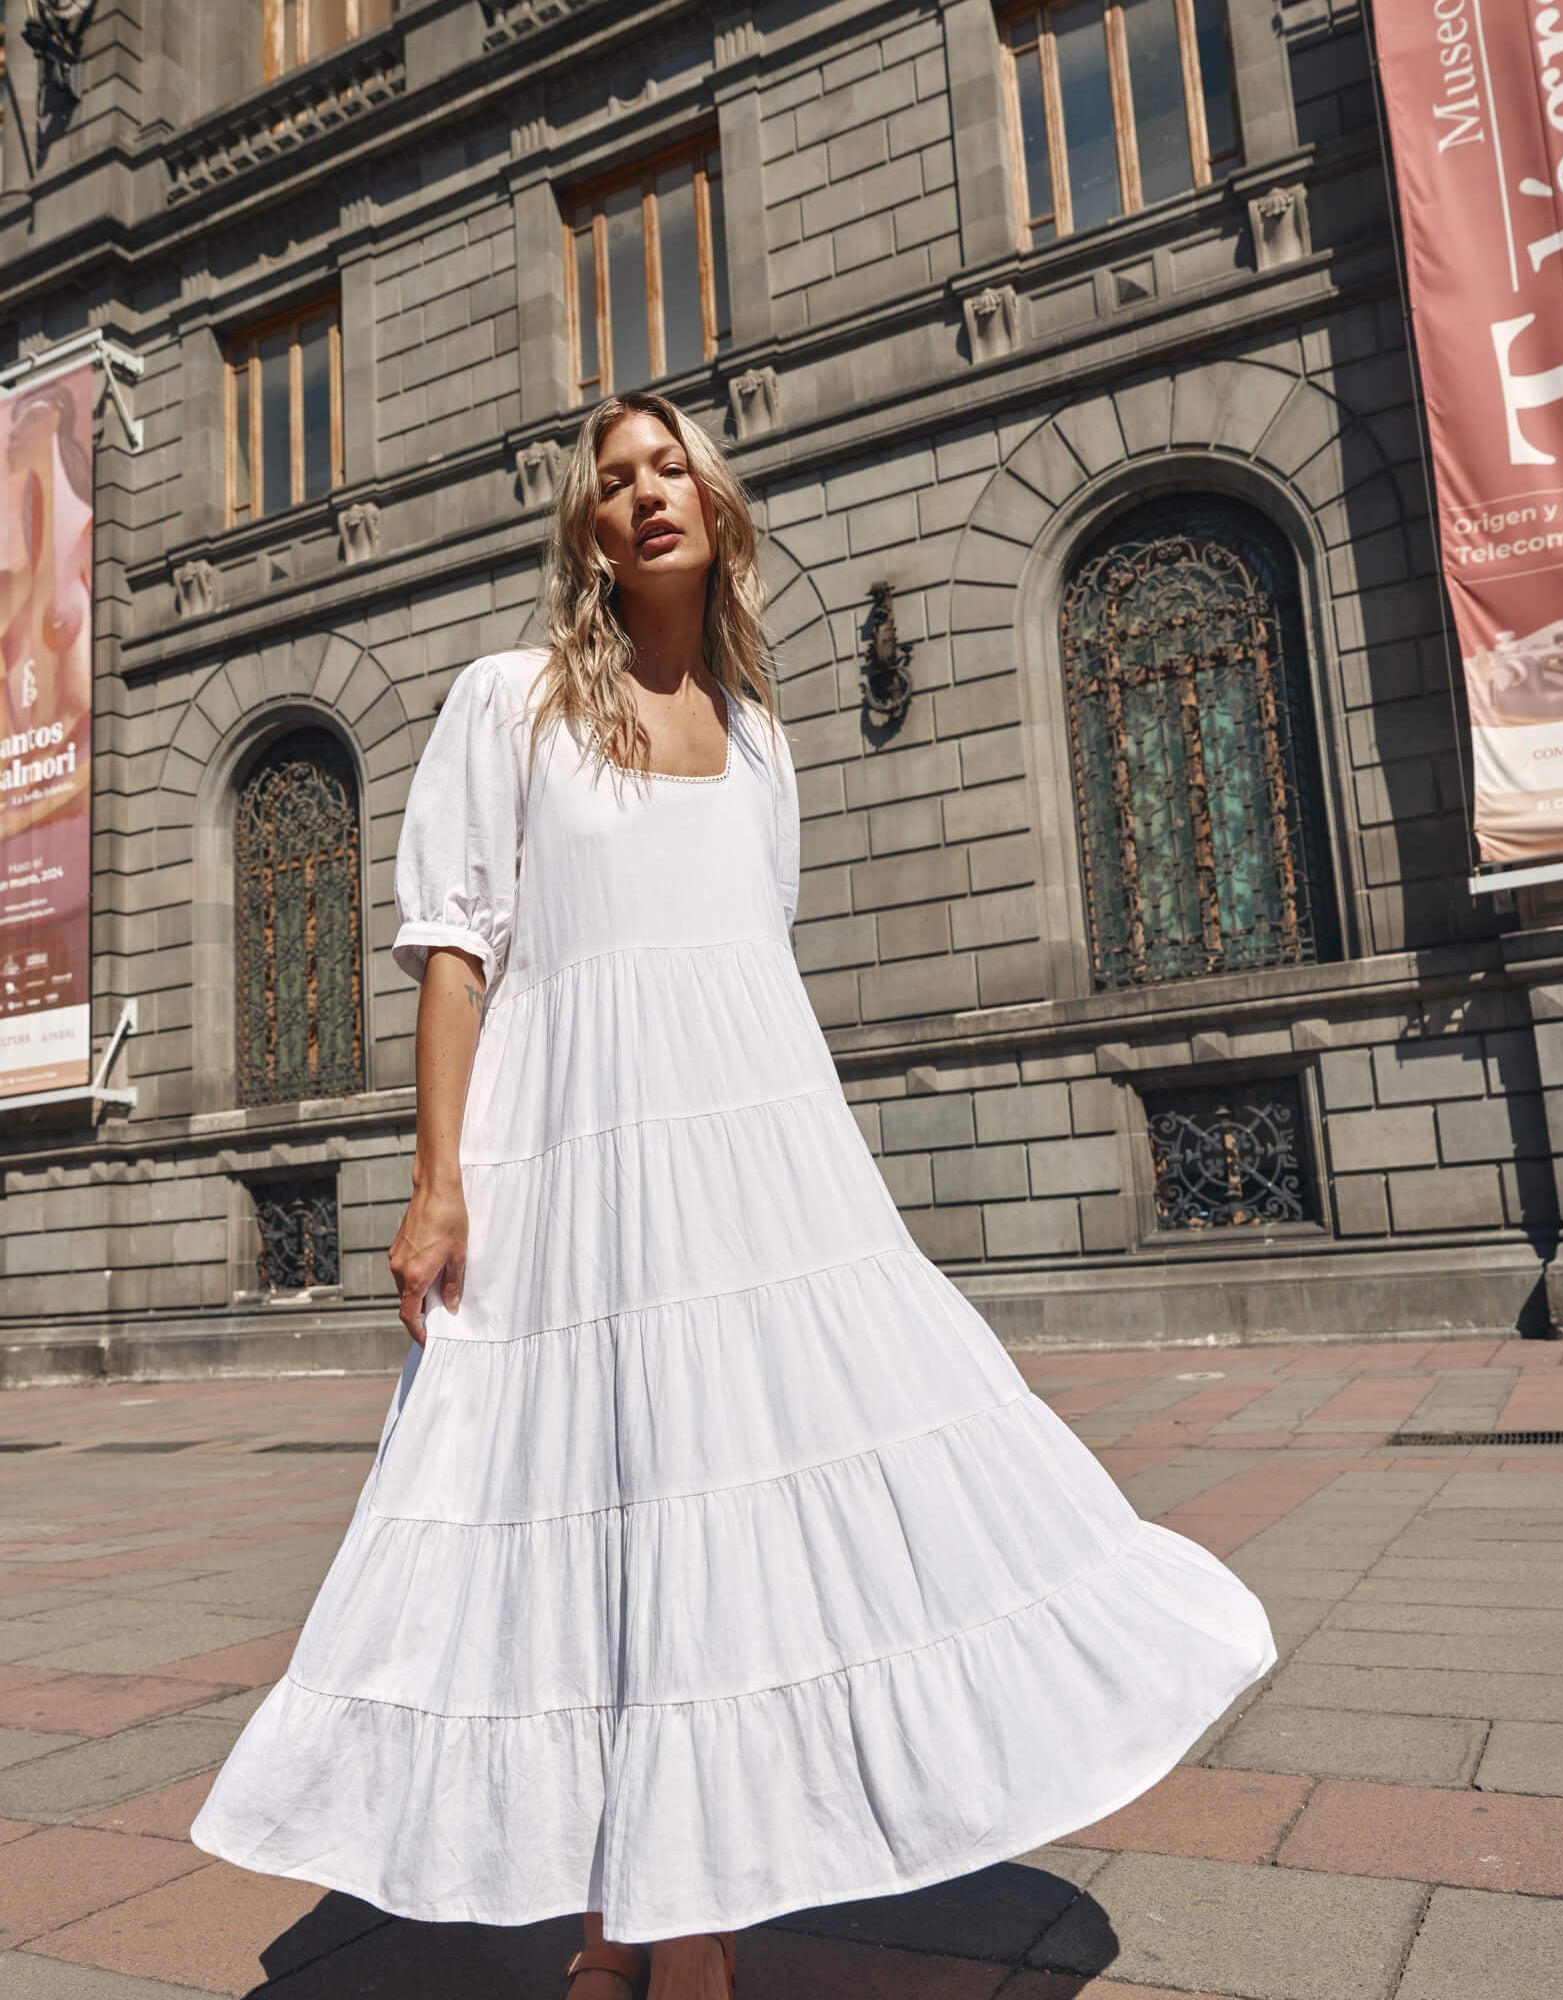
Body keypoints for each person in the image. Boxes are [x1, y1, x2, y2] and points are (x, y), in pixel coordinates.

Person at [189, 390, 1275, 2000]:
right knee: (594, 1520)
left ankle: (657, 1919)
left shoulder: (763, 740)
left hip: (750, 1173)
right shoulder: (511, 703)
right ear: (588, 534)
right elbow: (456, 956)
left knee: (736, 1510)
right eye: (612, 479)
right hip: (572, 1167)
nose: (644, 492)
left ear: (716, 498)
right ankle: (653, 1921)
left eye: (669, 465)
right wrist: (434, 1188)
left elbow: (748, 970)